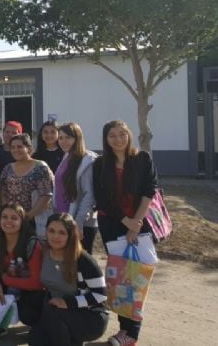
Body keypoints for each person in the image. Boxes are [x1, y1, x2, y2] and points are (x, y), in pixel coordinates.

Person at [93, 120, 157, 346]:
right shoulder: (100, 164)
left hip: (139, 224)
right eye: (112, 136)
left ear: (128, 135)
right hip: (112, 224)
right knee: (120, 280)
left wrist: (136, 222)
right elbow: (101, 199)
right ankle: (124, 331)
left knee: (137, 279)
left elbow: (149, 190)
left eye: (122, 134)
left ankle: (132, 334)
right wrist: (126, 222)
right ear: (106, 139)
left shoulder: (142, 159)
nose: (118, 139)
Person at [28, 213, 109, 346]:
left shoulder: (83, 260)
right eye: (51, 231)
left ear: (70, 235)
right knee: (36, 339)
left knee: (55, 315)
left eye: (62, 232)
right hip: (57, 311)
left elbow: (101, 295)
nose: (55, 236)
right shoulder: (44, 253)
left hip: (90, 316)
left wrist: (68, 303)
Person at [0, 203, 45, 341]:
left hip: (28, 289)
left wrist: (5, 279)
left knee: (28, 315)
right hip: (5, 284)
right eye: (4, 217)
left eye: (14, 218)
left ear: (22, 221)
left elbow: (37, 282)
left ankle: (40, 324)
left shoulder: (32, 244)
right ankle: (0, 323)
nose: (8, 221)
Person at [54, 122, 99, 253]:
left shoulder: (87, 160)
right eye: (61, 137)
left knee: (82, 265)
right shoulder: (67, 156)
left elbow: (89, 194)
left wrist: (78, 223)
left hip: (81, 223)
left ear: (77, 138)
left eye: (68, 137)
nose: (63, 141)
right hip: (64, 218)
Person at [0, 133, 54, 238]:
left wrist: (27, 216)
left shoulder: (40, 167)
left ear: (28, 148)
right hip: (12, 220)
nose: (16, 150)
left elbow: (46, 195)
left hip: (33, 220)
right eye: (13, 147)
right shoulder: (8, 168)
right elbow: (2, 191)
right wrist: (8, 213)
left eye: (20, 146)